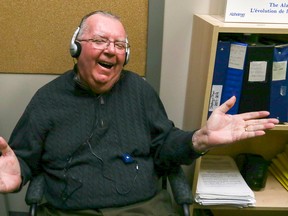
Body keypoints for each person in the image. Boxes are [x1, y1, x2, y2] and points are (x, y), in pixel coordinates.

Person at [0, 10, 279, 216]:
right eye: (100, 40)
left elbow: (164, 146)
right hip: (71, 211)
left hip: (143, 209)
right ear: (76, 47)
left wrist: (200, 139)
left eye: (120, 45)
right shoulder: (47, 99)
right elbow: (23, 160)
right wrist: (15, 175)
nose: (111, 51)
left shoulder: (140, 91)